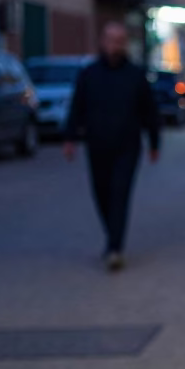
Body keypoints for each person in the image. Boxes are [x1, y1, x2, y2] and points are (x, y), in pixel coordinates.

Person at [63, 22, 160, 272]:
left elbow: (150, 111)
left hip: (127, 146)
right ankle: (112, 237)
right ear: (102, 41)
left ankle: (115, 248)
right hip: (97, 146)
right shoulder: (89, 74)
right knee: (102, 194)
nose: (114, 45)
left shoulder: (136, 76)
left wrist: (154, 143)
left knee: (120, 194)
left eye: (119, 40)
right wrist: (69, 138)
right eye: (110, 39)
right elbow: (77, 107)